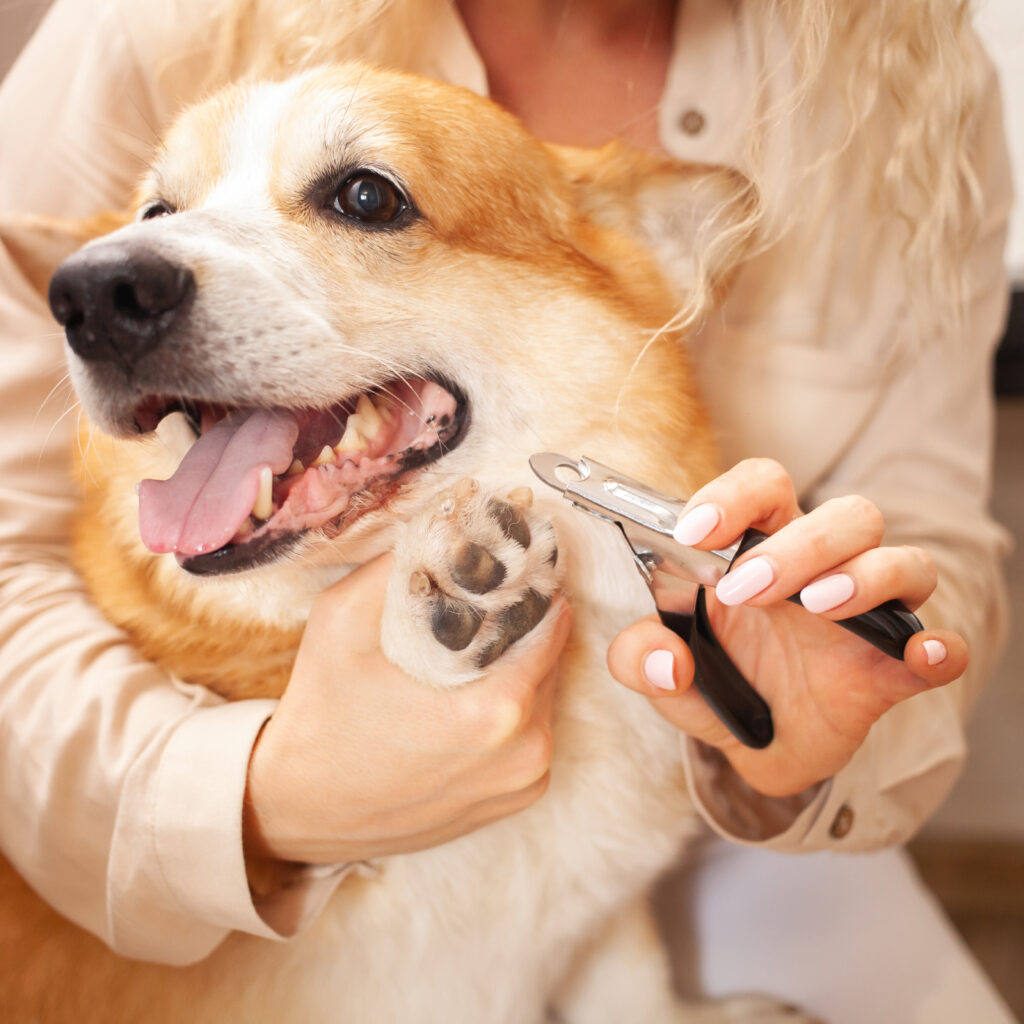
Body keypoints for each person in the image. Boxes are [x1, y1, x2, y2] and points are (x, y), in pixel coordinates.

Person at [0, 0, 1010, 970]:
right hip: (162, 836)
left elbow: (926, 528)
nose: (126, 273)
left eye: (362, 196)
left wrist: (821, 734)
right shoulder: (151, 20)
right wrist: (263, 797)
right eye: (162, 212)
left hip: (728, 864)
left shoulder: (908, 95)